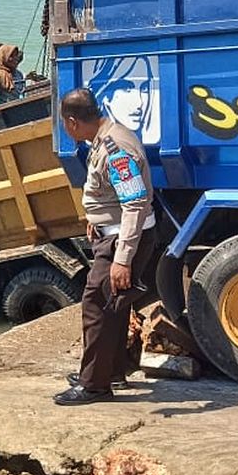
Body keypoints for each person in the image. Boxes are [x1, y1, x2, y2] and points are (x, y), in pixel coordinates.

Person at [54, 88, 157, 406]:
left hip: (122, 241)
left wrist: (122, 259)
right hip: (112, 234)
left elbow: (135, 203)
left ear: (72, 122)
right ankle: (110, 372)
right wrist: (96, 220)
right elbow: (113, 196)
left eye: (65, 125)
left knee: (96, 305)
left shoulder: (115, 149)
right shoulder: (106, 138)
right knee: (114, 307)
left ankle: (94, 386)